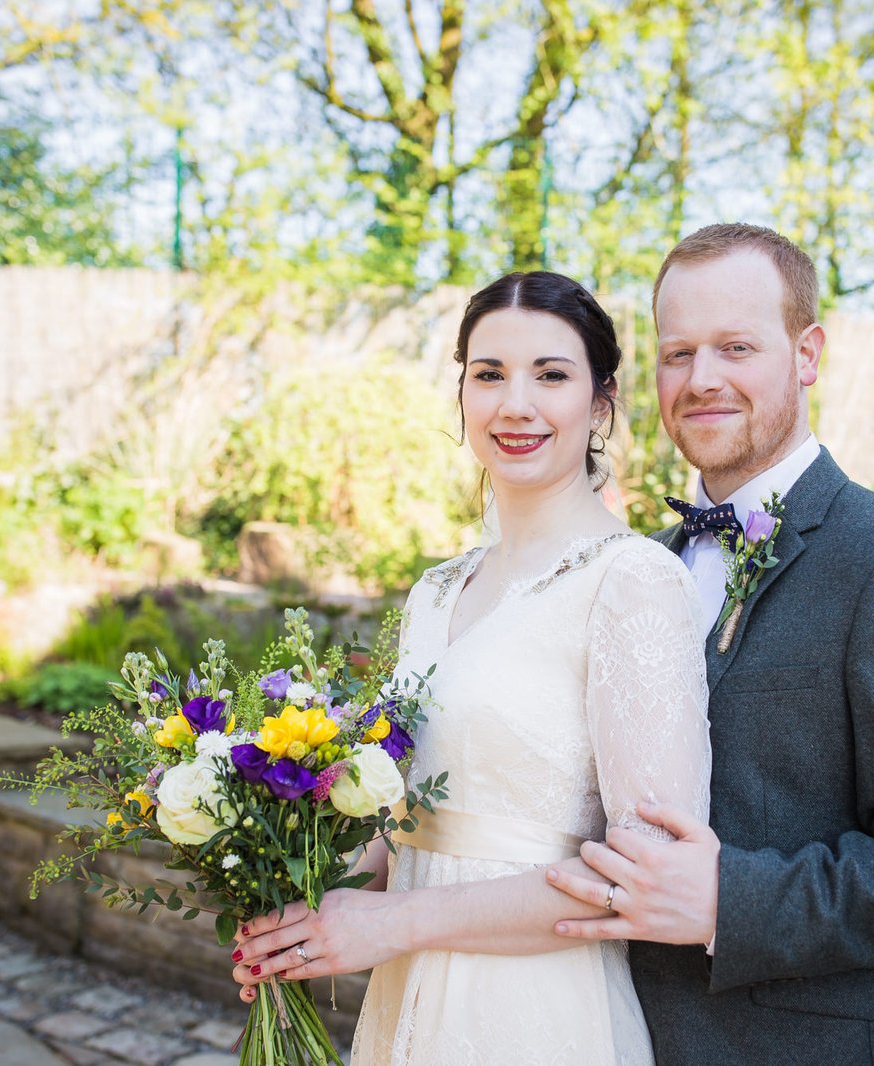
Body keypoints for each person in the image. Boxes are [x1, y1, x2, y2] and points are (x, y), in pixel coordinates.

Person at [544, 222, 874, 1063]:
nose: (703, 380)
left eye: (737, 347)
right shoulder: (632, 571)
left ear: (807, 354)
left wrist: (735, 901)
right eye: (679, 352)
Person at [229, 271, 712, 1065]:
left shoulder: (631, 582)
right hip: (407, 995)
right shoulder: (435, 590)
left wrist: (394, 922)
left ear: (599, 404)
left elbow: (644, 874)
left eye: (550, 375)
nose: (514, 404)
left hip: (540, 1009)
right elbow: (398, 811)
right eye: (488, 375)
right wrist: (297, 903)